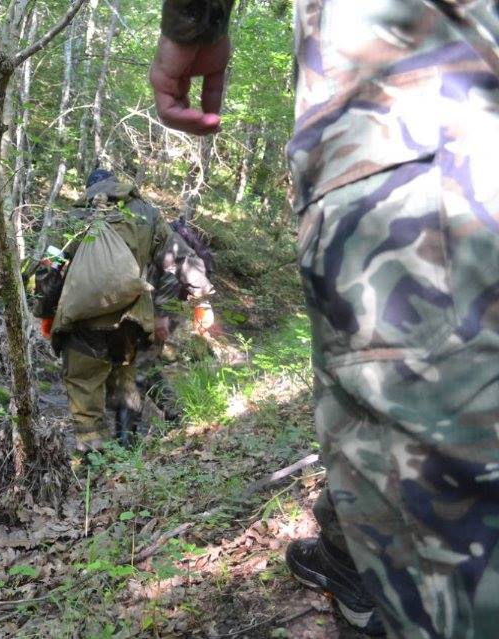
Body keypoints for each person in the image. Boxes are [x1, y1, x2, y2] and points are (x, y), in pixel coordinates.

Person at [152, 2, 499, 637]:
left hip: (410, 86)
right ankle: (355, 561)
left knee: (441, 476)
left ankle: (371, 579)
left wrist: (193, 25)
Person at [39, 169, 212, 451]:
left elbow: (49, 271)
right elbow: (180, 258)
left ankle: (92, 464)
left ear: (89, 190)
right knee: (126, 384)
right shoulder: (146, 213)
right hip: (130, 321)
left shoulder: (73, 217)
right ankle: (126, 456)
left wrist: (46, 311)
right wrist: (202, 299)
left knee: (84, 389)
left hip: (82, 322)